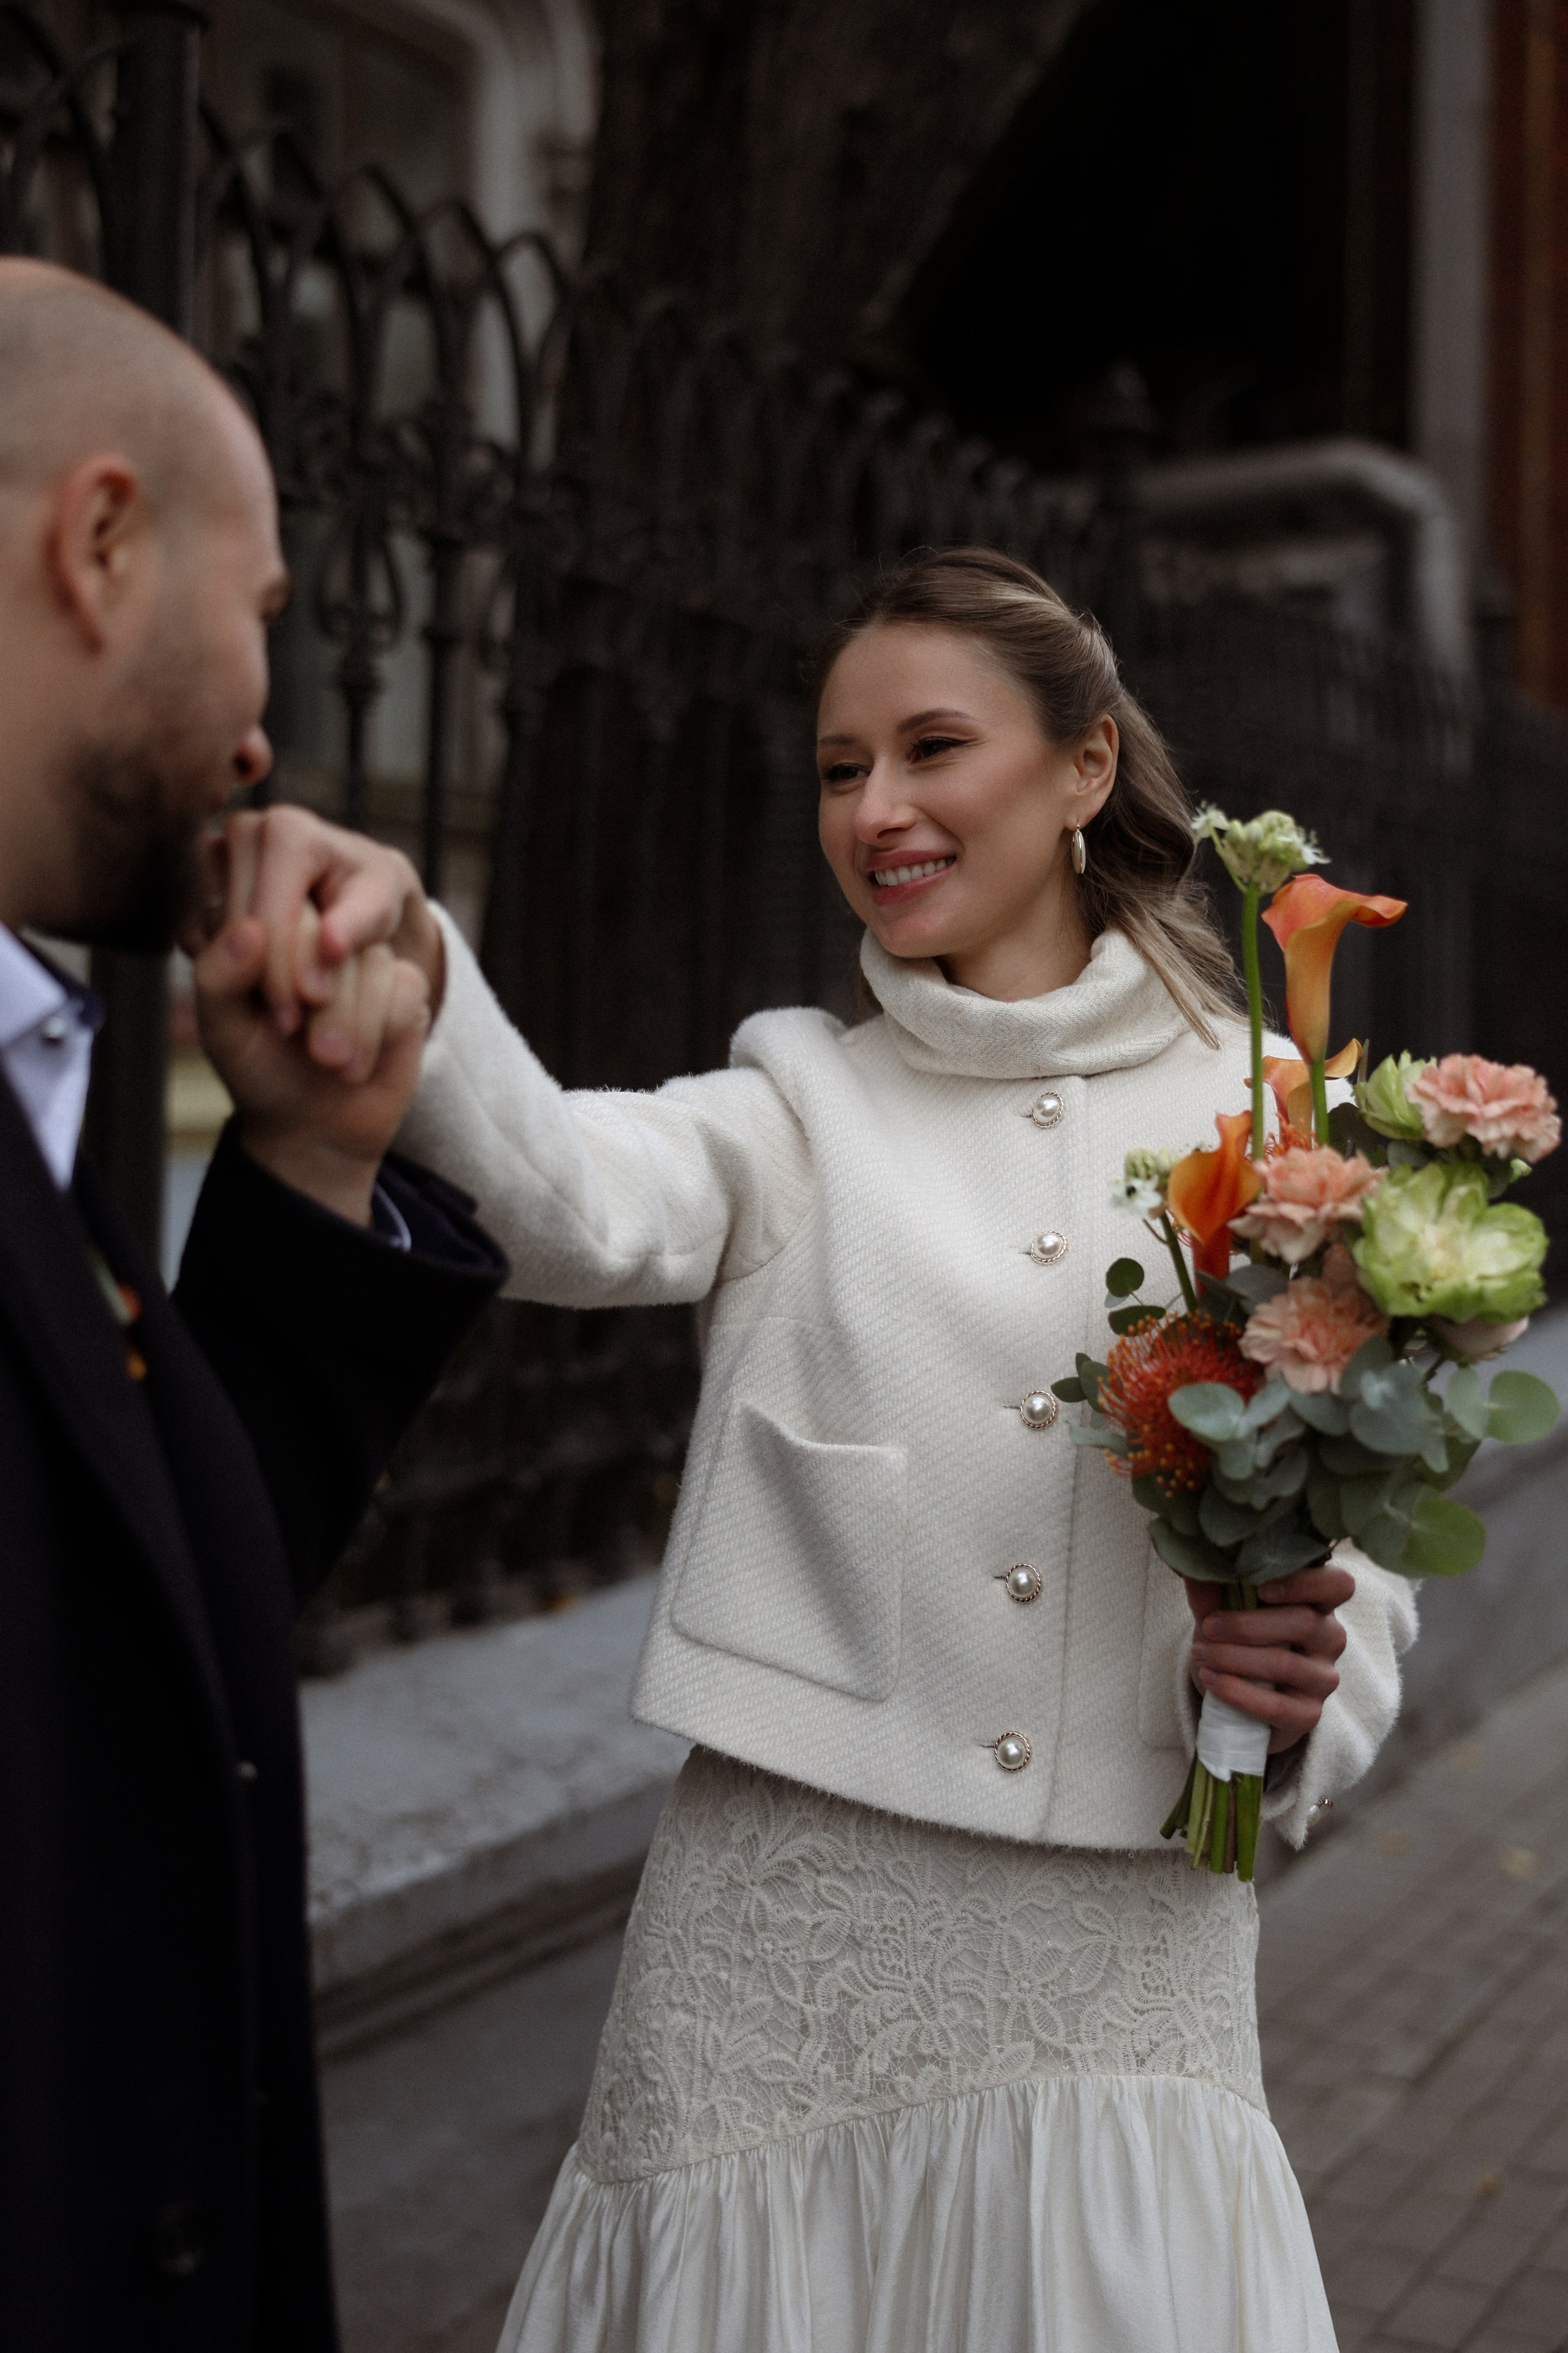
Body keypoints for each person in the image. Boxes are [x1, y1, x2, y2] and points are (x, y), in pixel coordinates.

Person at [235, 548, 1420, 2347]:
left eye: (932, 747)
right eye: (839, 765)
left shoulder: (1270, 1112)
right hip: (780, 1943)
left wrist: (1295, 1684)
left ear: (1086, 766)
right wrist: (405, 954)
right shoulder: (797, 1096)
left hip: (1129, 1950)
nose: (877, 808)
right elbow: (571, 1190)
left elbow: (1370, 1549)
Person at [0, 259, 505, 2351]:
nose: (267, 725)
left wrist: (304, 1160)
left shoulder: (59, 1045)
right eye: (269, 609)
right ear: (100, 544)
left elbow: (108, 1669)